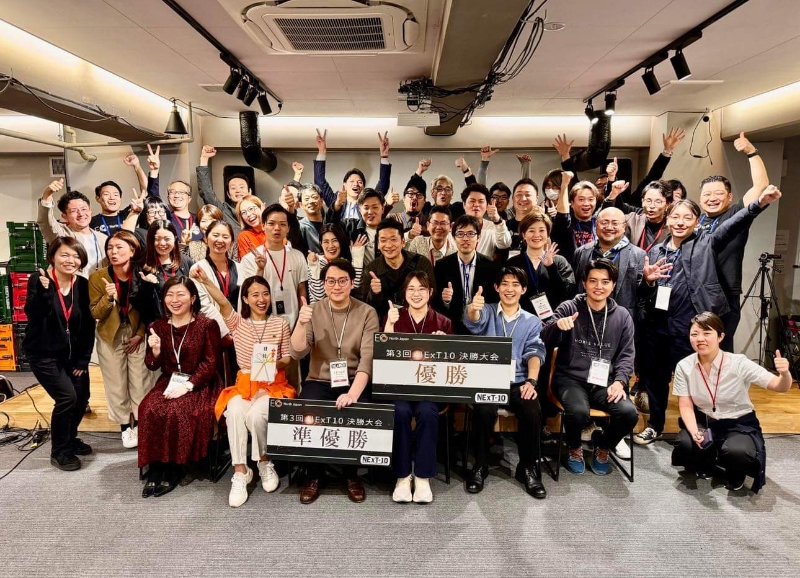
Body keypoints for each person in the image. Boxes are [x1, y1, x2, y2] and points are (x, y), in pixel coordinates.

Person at [635, 188, 781, 445]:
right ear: (667, 219)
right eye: (675, 217)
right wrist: (647, 281)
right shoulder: (656, 251)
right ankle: (655, 425)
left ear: (696, 221)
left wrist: (758, 204)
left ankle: (690, 429)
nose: (680, 222)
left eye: (687, 217)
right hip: (657, 327)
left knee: (695, 380)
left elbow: (734, 224)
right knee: (656, 379)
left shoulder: (706, 242)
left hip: (691, 328)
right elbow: (644, 293)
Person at [192, 270, 294, 507]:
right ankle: (240, 471)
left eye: (265, 294)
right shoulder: (238, 323)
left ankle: (264, 462)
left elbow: (288, 357)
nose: (261, 299)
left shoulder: (280, 323)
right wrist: (205, 281)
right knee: (235, 411)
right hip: (244, 385)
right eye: (255, 295)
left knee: (257, 414)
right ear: (245, 299)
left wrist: (269, 364)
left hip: (273, 385)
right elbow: (222, 302)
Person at [290, 259, 380, 504]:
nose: (336, 286)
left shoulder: (367, 312)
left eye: (342, 281)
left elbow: (368, 359)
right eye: (331, 281)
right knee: (308, 409)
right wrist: (301, 323)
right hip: (319, 379)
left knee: (357, 409)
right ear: (323, 284)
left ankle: (351, 474)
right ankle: (314, 475)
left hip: (353, 379)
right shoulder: (313, 310)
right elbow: (297, 352)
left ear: (352, 283)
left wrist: (352, 393)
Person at [672, 312, 793, 492]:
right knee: (685, 443)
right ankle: (708, 461)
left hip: (738, 423)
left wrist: (784, 374)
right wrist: (694, 430)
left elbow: (779, 386)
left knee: (738, 452)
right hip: (705, 420)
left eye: (707, 333)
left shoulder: (739, 363)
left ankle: (736, 472)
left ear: (720, 337)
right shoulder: (684, 366)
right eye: (694, 334)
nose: (700, 338)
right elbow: (685, 405)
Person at [542, 259, 640, 476]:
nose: (599, 286)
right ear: (584, 283)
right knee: (578, 412)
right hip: (570, 378)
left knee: (629, 413)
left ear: (613, 285)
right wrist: (557, 326)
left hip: (605, 382)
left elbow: (626, 355)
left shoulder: (622, 316)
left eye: (605, 282)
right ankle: (574, 447)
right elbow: (544, 336)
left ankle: (603, 445)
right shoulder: (569, 307)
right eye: (593, 281)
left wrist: (619, 382)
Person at [463, 266, 547, 498]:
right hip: (488, 380)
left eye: (515, 284)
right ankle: (480, 465)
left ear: (524, 289)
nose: (510, 289)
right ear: (496, 287)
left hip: (518, 382)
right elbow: (473, 322)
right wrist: (472, 308)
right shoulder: (487, 311)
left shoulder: (532, 321)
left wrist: (531, 381)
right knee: (483, 409)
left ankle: (527, 468)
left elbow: (535, 352)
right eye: (505, 284)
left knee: (532, 409)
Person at [139, 276, 223, 498]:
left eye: (180, 294)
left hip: (201, 383)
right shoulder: (157, 327)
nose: (174, 300)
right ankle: (156, 465)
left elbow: (210, 364)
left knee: (178, 410)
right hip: (169, 380)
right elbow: (151, 365)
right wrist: (155, 350)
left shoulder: (206, 325)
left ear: (193, 298)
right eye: (169, 295)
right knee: (148, 407)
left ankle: (174, 466)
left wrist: (188, 385)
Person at [23, 238, 96, 471]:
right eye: (64, 255)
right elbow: (34, 314)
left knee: (82, 397)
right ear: (53, 256)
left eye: (76, 256)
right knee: (67, 398)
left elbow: (87, 326)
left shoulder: (82, 285)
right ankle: (60, 451)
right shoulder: (40, 279)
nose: (70, 260)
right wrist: (44, 293)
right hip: (43, 354)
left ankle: (69, 439)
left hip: (72, 355)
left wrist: (83, 360)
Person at [384, 271, 453, 503]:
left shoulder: (444, 322)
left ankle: (423, 477)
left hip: (430, 390)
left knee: (427, 412)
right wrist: (389, 325)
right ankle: (402, 476)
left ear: (430, 292)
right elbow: (385, 356)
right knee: (400, 411)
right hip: (400, 387)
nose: (416, 294)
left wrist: (443, 345)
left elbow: (451, 366)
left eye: (421, 289)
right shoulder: (394, 317)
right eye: (411, 289)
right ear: (404, 293)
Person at [696, 132, 770, 349]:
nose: (712, 198)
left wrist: (751, 152)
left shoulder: (737, 214)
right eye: (707, 194)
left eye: (718, 194)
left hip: (725, 295)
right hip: (697, 292)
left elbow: (760, 186)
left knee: (719, 349)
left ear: (729, 197)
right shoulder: (696, 221)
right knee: (696, 348)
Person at [88, 230, 154, 449]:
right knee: (115, 383)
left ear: (132, 250)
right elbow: (95, 313)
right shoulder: (98, 277)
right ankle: (125, 426)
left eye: (119, 247)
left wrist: (140, 334)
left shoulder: (142, 274)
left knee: (140, 381)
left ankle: (142, 424)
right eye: (110, 248)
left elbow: (148, 309)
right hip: (111, 335)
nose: (113, 252)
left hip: (137, 332)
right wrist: (108, 298)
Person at [240, 204, 308, 330]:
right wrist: (260, 269)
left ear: (288, 228)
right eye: (271, 223)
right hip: (263, 326)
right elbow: (248, 294)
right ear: (263, 226)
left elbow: (301, 288)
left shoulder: (297, 256)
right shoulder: (249, 259)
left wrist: (301, 321)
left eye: (282, 224)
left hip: (294, 324)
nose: (277, 228)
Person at [572, 207, 647, 317]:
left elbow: (642, 296)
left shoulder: (638, 255)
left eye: (615, 223)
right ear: (596, 225)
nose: (609, 227)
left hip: (621, 319)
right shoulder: (581, 252)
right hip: (585, 316)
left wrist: (648, 282)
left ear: (624, 227)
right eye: (604, 222)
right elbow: (575, 287)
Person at [433, 215, 500, 334]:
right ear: (453, 237)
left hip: (481, 326)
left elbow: (494, 301)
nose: (465, 238)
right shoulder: (442, 265)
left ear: (478, 237)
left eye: (470, 234)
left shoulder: (491, 266)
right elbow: (435, 303)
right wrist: (445, 301)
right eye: (460, 234)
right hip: (452, 326)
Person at [361, 219, 435, 320]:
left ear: (403, 242)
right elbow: (368, 309)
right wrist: (375, 293)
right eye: (383, 240)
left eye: (393, 239)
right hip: (385, 323)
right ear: (378, 244)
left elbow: (433, 297)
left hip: (418, 320)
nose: (388, 245)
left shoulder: (421, 263)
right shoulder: (372, 269)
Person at [507, 211, 575, 318]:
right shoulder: (513, 263)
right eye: (531, 230)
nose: (537, 235)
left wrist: (551, 267)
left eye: (542, 230)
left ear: (548, 234)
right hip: (521, 319)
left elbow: (568, 293)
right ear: (523, 235)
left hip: (555, 320)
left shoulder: (559, 261)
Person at [314, 129, 391, 221]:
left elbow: (383, 184)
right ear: (344, 185)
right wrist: (321, 152)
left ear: (363, 187)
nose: (356, 184)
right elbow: (319, 181)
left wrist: (384, 156)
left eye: (359, 182)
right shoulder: (335, 199)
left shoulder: (368, 201)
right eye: (352, 181)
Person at [38, 179, 107, 276]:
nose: (81, 214)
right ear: (64, 216)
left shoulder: (103, 239)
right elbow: (46, 221)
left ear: (90, 211)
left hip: (97, 284)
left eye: (84, 209)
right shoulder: (62, 235)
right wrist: (47, 195)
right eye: (74, 211)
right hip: (68, 285)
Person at [189, 220, 242, 344]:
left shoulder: (240, 268)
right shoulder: (197, 269)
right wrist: (224, 331)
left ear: (231, 242)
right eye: (215, 235)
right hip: (213, 330)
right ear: (206, 239)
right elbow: (203, 304)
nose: (220, 240)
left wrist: (240, 329)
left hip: (241, 331)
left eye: (225, 237)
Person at [138, 221, 195, 323]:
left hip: (186, 322)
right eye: (157, 239)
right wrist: (147, 286)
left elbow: (196, 294)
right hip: (158, 324)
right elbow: (139, 304)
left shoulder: (186, 261)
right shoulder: (143, 265)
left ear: (175, 239)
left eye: (167, 239)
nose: (162, 243)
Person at [196, 145, 253, 239]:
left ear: (249, 191)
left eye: (242, 187)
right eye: (233, 188)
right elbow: (206, 192)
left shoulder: (257, 212)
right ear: (228, 194)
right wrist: (204, 159)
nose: (238, 190)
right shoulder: (223, 211)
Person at [605, 180, 673, 253]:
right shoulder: (632, 220)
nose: (652, 206)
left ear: (668, 204)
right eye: (648, 201)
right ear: (642, 201)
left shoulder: (672, 227)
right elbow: (606, 217)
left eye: (658, 202)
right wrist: (612, 195)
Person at [307, 223, 365, 303]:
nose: (331, 246)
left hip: (343, 309)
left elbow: (355, 284)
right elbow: (319, 295)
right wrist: (314, 266)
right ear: (321, 244)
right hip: (320, 309)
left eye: (335, 241)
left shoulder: (345, 262)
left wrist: (357, 254)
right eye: (326, 242)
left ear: (341, 242)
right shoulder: (315, 262)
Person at [550, 173, 600, 265]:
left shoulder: (599, 224)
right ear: (572, 203)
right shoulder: (566, 224)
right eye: (581, 199)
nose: (586, 203)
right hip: (569, 272)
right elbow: (562, 215)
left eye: (591, 199)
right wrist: (564, 185)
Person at [328, 188, 385, 267]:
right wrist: (337, 204)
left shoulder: (390, 229)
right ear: (360, 209)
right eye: (366, 208)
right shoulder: (350, 226)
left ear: (382, 209)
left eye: (375, 207)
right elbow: (329, 227)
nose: (370, 212)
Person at [461, 183, 511, 259]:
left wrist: (497, 220)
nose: (476, 205)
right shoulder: (454, 227)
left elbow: (505, 244)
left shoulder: (494, 227)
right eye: (472, 201)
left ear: (487, 205)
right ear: (464, 204)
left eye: (481, 201)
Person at [297, 184, 325, 255]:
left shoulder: (329, 223)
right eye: (307, 199)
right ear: (301, 205)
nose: (311, 201)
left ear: (321, 201)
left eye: (314, 197)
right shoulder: (300, 227)